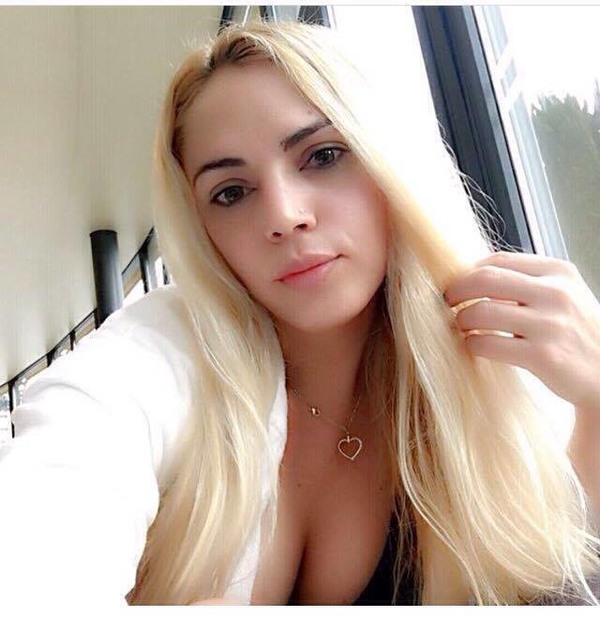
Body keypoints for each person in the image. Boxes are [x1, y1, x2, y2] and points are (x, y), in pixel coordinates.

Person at [1, 20, 600, 607]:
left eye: (323, 155)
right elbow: (42, 527)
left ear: (388, 161)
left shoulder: (489, 356)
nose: (284, 216)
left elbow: (558, 568)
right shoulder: (161, 353)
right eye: (231, 193)